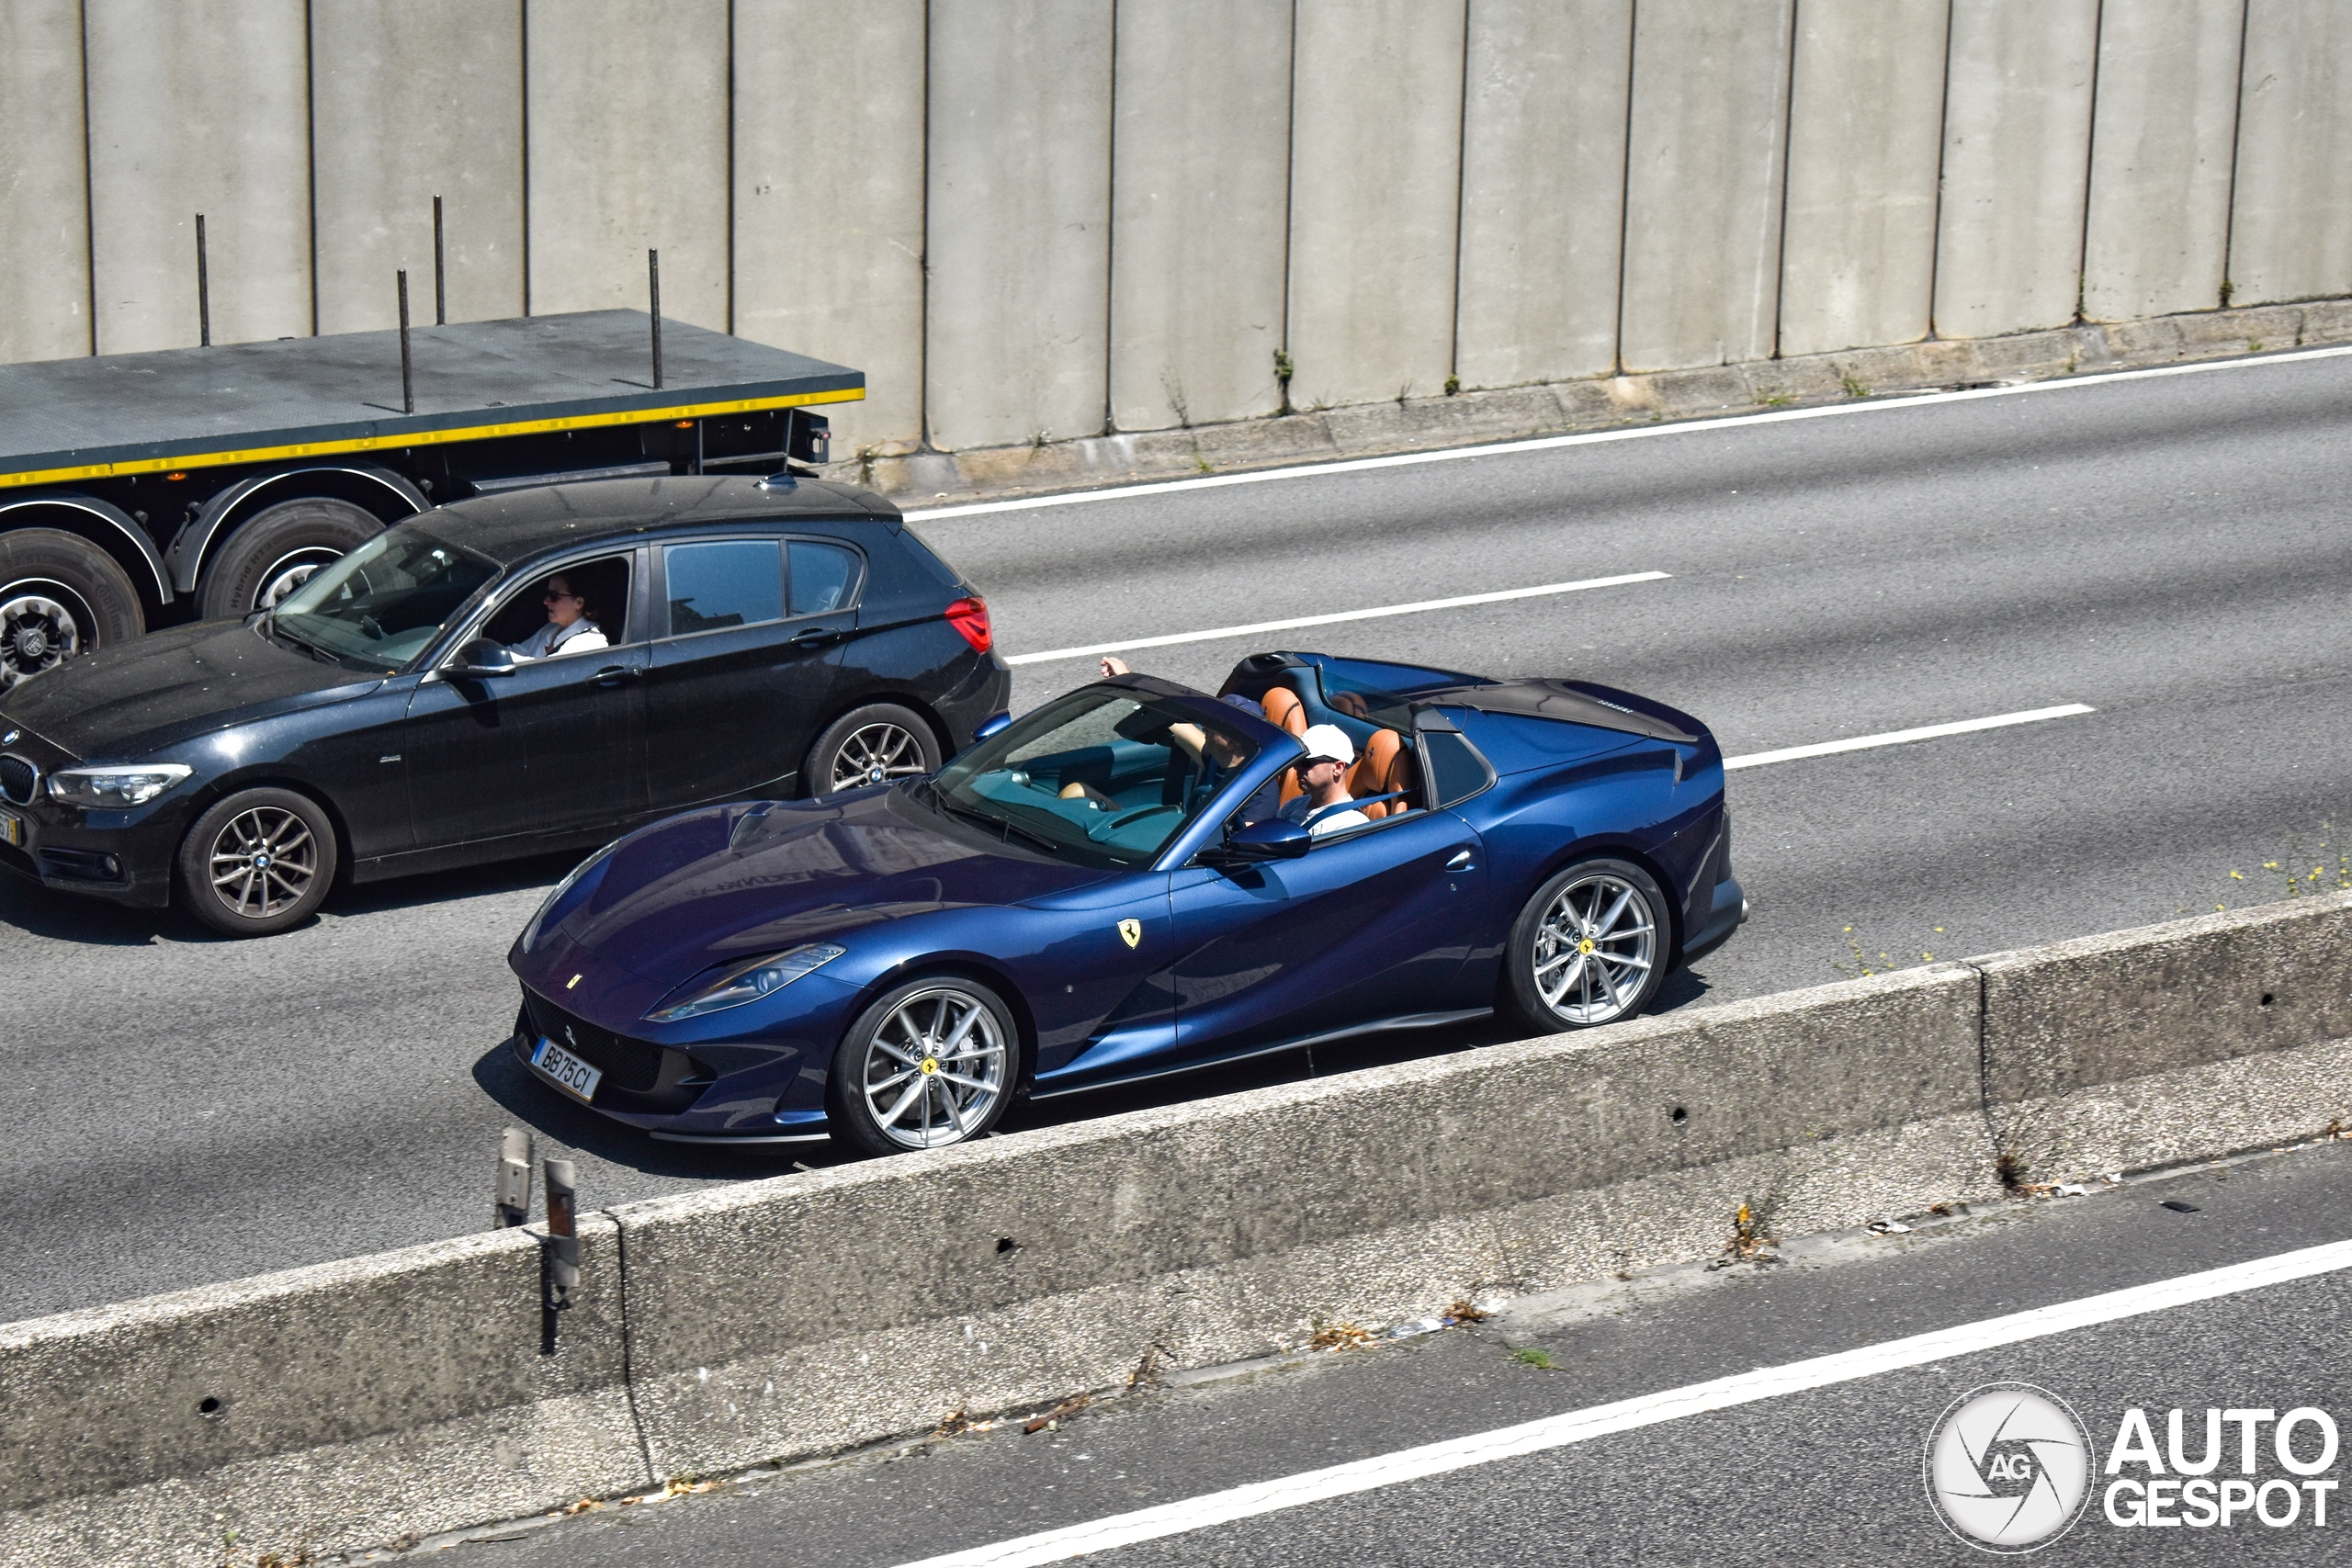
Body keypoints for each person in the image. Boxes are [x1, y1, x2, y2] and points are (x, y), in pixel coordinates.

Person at [1279, 725, 1369, 837]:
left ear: (1338, 768)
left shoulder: (1351, 824)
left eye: (1306, 762)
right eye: (1297, 761)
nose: (1296, 767)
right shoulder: (1293, 805)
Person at [508, 573, 609, 660]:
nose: (546, 601)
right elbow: (516, 652)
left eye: (554, 595)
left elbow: (545, 675)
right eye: (548, 593)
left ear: (579, 602)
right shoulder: (550, 630)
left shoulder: (589, 644)